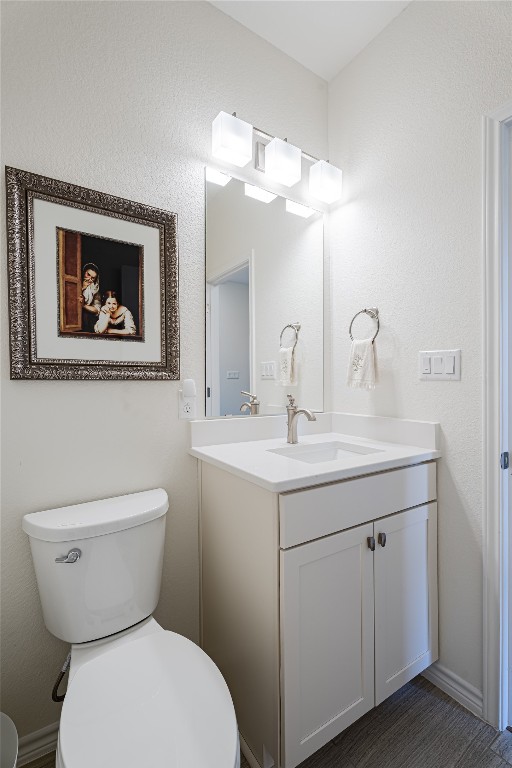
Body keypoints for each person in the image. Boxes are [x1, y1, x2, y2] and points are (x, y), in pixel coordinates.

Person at [79, 263, 101, 332]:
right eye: (88, 274)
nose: (89, 279)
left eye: (93, 278)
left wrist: (83, 305)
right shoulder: (75, 281)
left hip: (87, 317)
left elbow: (97, 309)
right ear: (83, 272)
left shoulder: (95, 289)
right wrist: (82, 288)